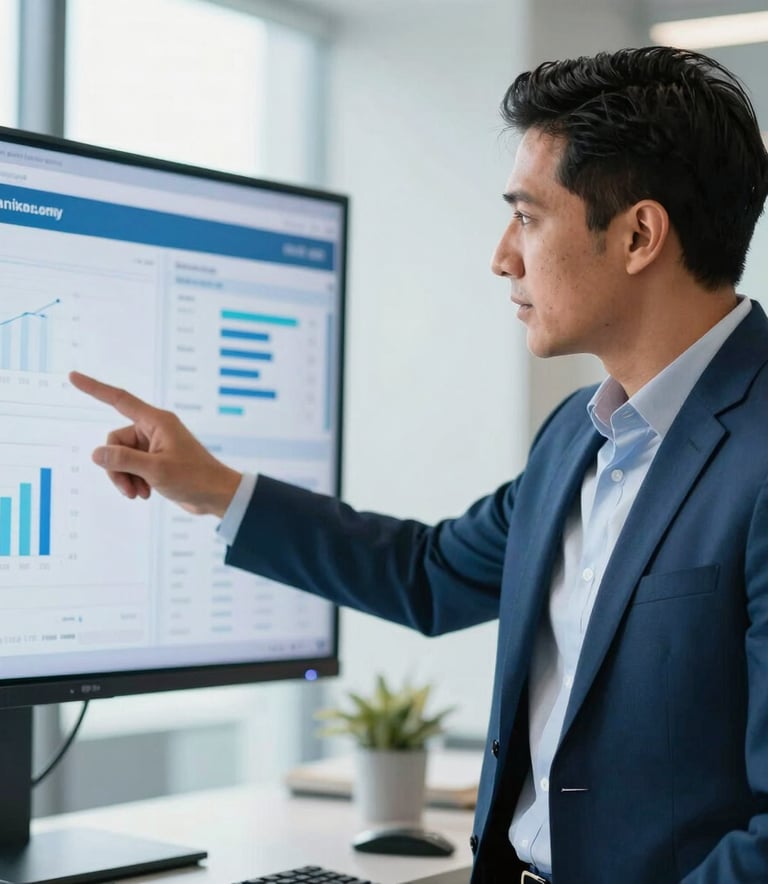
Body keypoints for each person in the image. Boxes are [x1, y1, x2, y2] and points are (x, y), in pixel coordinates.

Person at [70, 45, 768, 884]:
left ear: (638, 235)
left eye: (529, 216)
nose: (502, 256)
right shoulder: (579, 437)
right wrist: (214, 488)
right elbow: (430, 574)